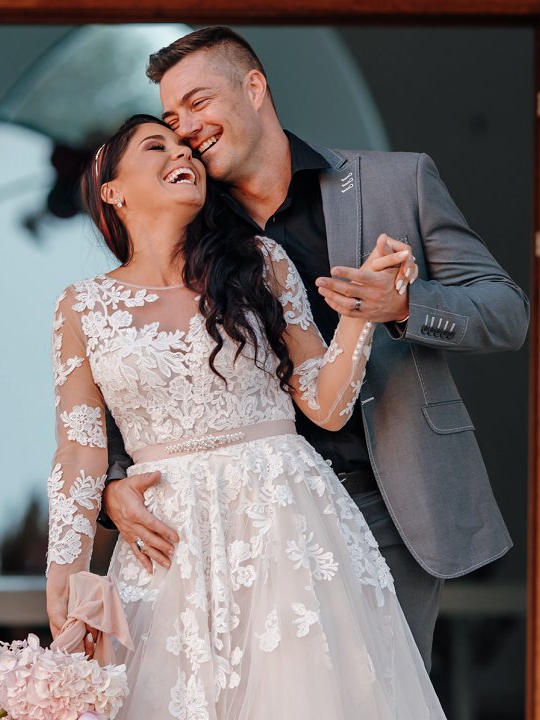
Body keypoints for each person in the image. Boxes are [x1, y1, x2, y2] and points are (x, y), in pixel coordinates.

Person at [99, 26, 530, 668]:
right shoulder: (187, 219)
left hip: (388, 504)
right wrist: (112, 483)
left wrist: (404, 306)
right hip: (248, 524)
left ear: (254, 87)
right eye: (171, 119)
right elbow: (136, 350)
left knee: (379, 699)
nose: (185, 129)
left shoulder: (398, 182)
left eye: (198, 102)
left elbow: (507, 311)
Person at [45, 113, 447, 717]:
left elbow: (327, 406)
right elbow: (80, 449)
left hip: (284, 523)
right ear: (113, 192)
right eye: (157, 146)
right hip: (168, 544)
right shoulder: (82, 306)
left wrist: (362, 311)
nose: (183, 154)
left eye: (186, 148)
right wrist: (65, 572)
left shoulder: (261, 262)